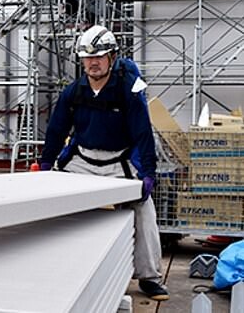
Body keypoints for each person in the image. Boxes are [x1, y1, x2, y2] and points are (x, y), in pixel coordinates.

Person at [40, 25, 169, 301]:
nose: (93, 62)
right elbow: (56, 131)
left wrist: (148, 174)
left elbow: (143, 133)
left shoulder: (128, 92)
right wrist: (45, 166)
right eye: (87, 57)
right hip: (83, 159)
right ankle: (55, 265)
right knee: (53, 202)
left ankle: (149, 276)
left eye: (99, 56)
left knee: (144, 209)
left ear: (112, 57)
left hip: (118, 162)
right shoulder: (74, 92)